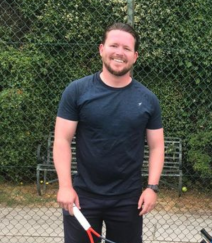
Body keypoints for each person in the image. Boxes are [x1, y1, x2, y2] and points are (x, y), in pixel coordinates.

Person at [53, 22, 164, 243]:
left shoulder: (148, 99)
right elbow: (62, 140)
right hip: (82, 195)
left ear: (135, 56)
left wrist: (152, 188)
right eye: (114, 45)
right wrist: (65, 186)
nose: (119, 53)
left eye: (126, 48)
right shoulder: (77, 91)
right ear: (102, 49)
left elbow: (157, 146)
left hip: (128, 199)